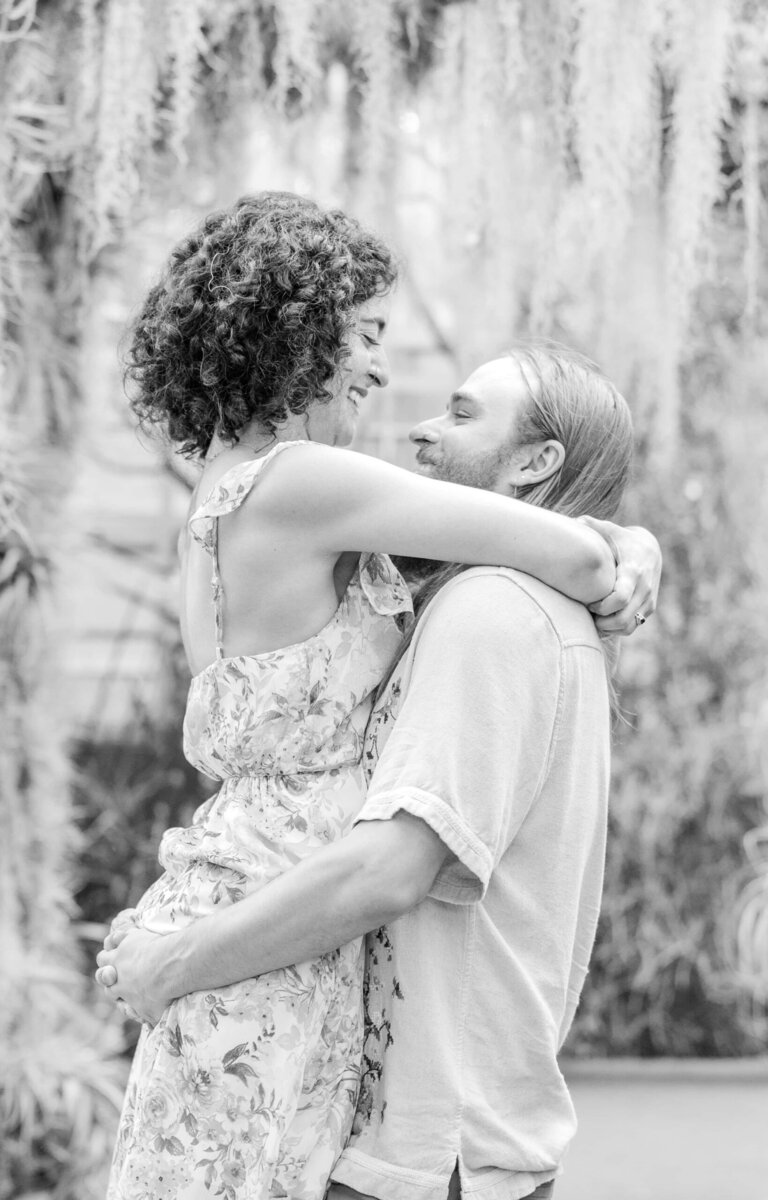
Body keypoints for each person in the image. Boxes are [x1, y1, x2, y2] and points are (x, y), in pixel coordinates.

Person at [96, 189, 659, 1199]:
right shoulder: (305, 483)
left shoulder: (274, 500)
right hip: (273, 926)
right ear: (298, 330)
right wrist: (621, 552)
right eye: (364, 332)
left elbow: (518, 540)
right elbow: (555, 545)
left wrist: (627, 540)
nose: (384, 367)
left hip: (270, 904)